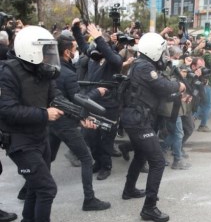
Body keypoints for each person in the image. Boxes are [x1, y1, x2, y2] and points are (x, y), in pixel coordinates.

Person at [0, 25, 93, 222]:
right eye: (44, 50)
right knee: (47, 189)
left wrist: (81, 116)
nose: (49, 55)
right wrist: (44, 114)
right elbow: (6, 110)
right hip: (20, 142)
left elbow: (56, 98)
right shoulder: (8, 73)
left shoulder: (43, 71)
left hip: (40, 138)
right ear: (31, 50)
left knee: (36, 186)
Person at [119, 32, 186, 221]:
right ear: (154, 51)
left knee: (141, 154)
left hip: (136, 117)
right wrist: (178, 86)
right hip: (138, 120)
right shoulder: (144, 67)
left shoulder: (141, 64)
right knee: (157, 161)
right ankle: (149, 208)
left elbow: (154, 91)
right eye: (162, 52)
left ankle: (129, 189)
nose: (164, 56)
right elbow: (162, 85)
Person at [48, 34, 111, 211]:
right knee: (85, 158)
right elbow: (78, 100)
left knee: (48, 157)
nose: (76, 51)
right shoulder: (67, 73)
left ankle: (27, 189)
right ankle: (89, 199)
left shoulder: (50, 68)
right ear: (67, 51)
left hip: (52, 120)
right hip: (64, 122)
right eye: (74, 48)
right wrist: (97, 92)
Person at [71, 18, 123, 180]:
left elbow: (112, 56)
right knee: (89, 136)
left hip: (109, 105)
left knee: (106, 138)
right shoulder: (94, 57)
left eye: (97, 43)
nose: (93, 47)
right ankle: (98, 162)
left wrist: (99, 38)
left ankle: (106, 166)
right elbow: (83, 45)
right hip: (92, 102)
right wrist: (76, 30)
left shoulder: (114, 60)